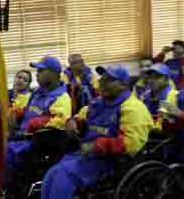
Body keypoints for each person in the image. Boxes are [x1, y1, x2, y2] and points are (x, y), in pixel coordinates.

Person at [41, 65, 154, 199]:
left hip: (111, 162)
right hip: (86, 155)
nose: (102, 82)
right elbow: (81, 116)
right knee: (51, 173)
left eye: (109, 80)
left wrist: (97, 146)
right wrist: (72, 122)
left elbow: (131, 144)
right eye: (102, 79)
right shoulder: (99, 102)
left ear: (123, 85)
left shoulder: (133, 108)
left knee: (63, 175)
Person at [3, 56, 71, 190]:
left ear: (53, 74)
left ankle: (4, 189)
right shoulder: (37, 92)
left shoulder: (61, 98)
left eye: (40, 71)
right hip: (20, 135)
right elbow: (28, 110)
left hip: (35, 143)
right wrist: (18, 114)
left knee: (4, 153)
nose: (37, 74)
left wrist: (39, 122)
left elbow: (61, 122)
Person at [141, 63, 178, 130]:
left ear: (166, 80)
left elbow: (170, 122)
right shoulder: (145, 95)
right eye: (150, 77)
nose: (152, 80)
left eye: (157, 77)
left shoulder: (173, 95)